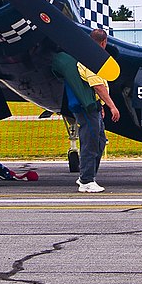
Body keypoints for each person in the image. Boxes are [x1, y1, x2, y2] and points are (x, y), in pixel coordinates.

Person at [51, 28, 120, 193]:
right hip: (86, 109)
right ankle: (86, 180)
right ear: (104, 43)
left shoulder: (86, 55)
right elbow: (97, 85)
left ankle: (87, 176)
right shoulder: (91, 59)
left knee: (99, 141)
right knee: (90, 143)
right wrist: (111, 105)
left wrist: (101, 106)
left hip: (93, 107)